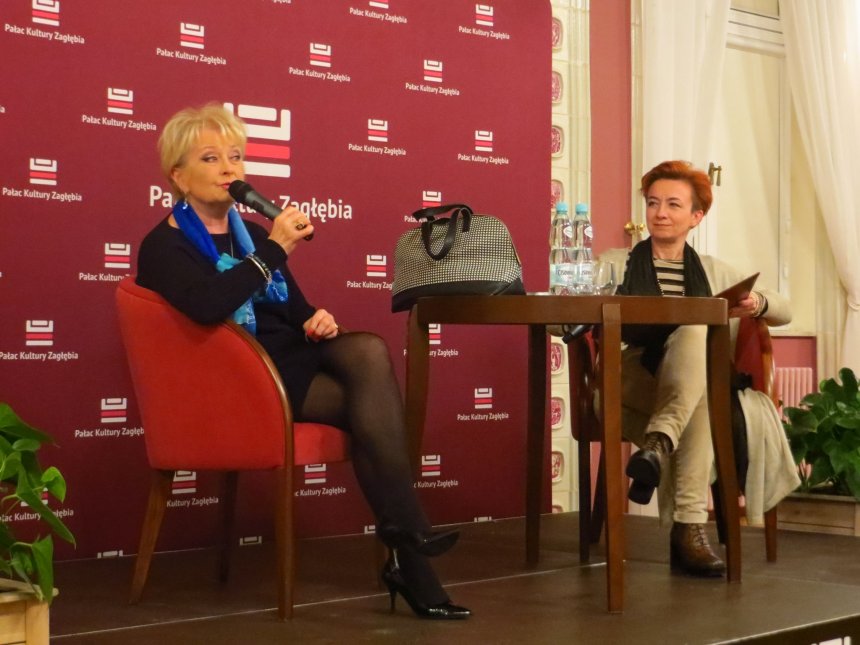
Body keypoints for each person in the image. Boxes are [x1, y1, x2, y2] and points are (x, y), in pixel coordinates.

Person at [136, 103, 470, 619]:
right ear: (177, 175)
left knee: (366, 351)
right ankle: (411, 552)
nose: (229, 169)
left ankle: (407, 537)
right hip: (236, 376)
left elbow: (292, 309)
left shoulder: (250, 233)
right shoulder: (164, 245)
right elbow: (207, 307)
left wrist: (316, 319)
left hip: (285, 357)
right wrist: (274, 250)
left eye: (235, 157)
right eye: (210, 158)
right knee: (364, 407)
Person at [600, 160, 791, 577]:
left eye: (673, 204)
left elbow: (785, 309)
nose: (660, 213)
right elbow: (564, 315)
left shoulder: (713, 269)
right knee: (702, 383)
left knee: (693, 339)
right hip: (628, 373)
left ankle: (658, 445)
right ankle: (688, 529)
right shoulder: (616, 263)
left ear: (696, 216)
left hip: (687, 382)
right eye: (653, 203)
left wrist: (757, 303)